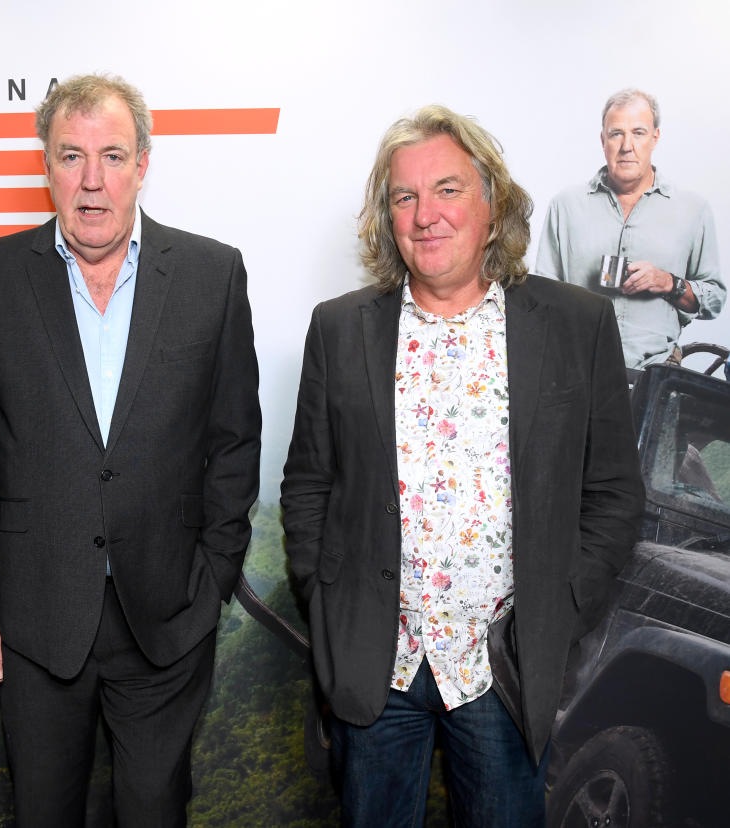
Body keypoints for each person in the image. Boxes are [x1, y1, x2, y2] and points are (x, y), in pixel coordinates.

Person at [280, 105, 644, 826]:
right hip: (376, 669)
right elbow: (308, 485)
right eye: (404, 197)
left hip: (503, 670)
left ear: (492, 202)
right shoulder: (338, 328)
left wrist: (558, 612)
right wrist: (329, 610)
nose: (425, 216)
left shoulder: (576, 325)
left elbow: (612, 494)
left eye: (446, 190)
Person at [0, 73, 261, 827]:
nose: (92, 183)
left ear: (143, 163)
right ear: (45, 166)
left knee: (155, 813)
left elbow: (234, 442)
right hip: (33, 617)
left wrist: (212, 578)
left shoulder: (213, 275)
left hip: (169, 615)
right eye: (70, 157)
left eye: (112, 156)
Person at [535, 88, 725, 369]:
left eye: (638, 133)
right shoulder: (566, 206)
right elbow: (542, 300)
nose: (627, 146)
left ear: (655, 137)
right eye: (616, 134)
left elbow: (714, 300)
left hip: (656, 372)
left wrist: (667, 282)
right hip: (577, 369)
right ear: (603, 140)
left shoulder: (693, 210)